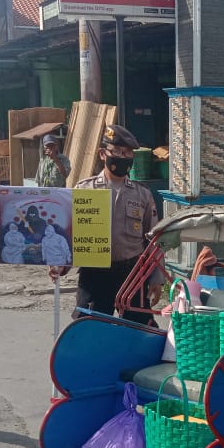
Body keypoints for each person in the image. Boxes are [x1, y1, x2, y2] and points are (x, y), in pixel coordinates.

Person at [49, 124, 163, 325]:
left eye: (128, 153)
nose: (124, 157)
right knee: (90, 329)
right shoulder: (85, 191)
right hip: (95, 274)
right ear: (103, 154)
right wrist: (60, 264)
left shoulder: (142, 194)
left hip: (132, 273)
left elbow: (154, 239)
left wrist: (155, 277)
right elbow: (71, 234)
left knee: (136, 329)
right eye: (117, 151)